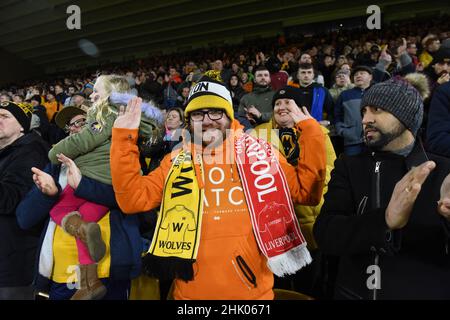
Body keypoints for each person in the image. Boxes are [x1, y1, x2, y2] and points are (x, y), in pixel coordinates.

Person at [109, 76, 327, 300]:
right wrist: (123, 140)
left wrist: (310, 132)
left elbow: (306, 192)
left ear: (229, 115)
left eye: (215, 112)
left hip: (252, 298)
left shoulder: (261, 153)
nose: (207, 120)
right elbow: (132, 199)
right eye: (197, 114)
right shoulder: (175, 161)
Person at [313, 76, 450, 299]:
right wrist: (383, 221)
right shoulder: (349, 165)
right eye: (363, 112)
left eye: (376, 110)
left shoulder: (443, 170)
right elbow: (325, 233)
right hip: (352, 294)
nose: (366, 119)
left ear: (405, 116)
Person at [45, 75, 162, 299]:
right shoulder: (129, 116)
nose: (92, 95)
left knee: (58, 209)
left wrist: (54, 152)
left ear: (112, 92)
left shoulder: (108, 111)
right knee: (87, 222)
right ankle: (90, 284)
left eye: (96, 90)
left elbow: (85, 139)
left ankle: (89, 280)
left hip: (92, 177)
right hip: (116, 182)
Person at [16, 106, 144, 300]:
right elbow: (24, 219)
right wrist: (48, 194)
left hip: (111, 270)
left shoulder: (118, 154)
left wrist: (83, 186)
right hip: (62, 274)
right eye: (71, 125)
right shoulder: (56, 165)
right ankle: (82, 233)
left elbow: (132, 197)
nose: (77, 128)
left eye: (83, 121)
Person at [253, 86, 336, 297]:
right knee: (276, 286)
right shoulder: (257, 135)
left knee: (309, 285)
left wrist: (303, 181)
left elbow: (331, 169)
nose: (281, 107)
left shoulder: (318, 131)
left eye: (287, 102)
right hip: (274, 228)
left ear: (300, 107)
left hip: (310, 222)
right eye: (277, 104)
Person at [0, 101, 49, 299]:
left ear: (22, 125)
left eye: (4, 116)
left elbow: (11, 200)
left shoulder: (31, 151)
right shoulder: (6, 153)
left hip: (14, 263)